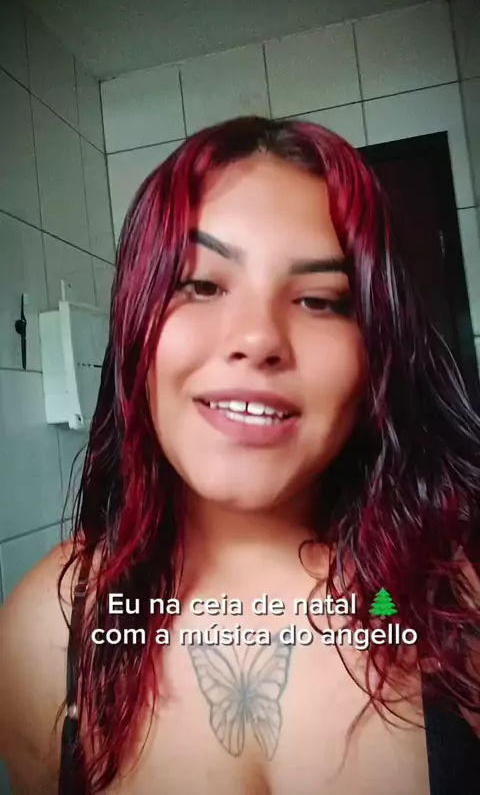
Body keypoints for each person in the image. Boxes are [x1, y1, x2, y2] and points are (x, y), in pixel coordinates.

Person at [0, 115, 479, 795]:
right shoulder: (48, 629)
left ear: (375, 353)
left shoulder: (457, 605)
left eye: (319, 300)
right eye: (201, 285)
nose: (258, 338)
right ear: (136, 328)